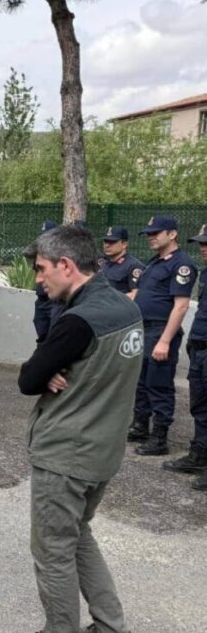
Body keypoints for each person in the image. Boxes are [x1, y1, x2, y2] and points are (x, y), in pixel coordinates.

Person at [18, 225, 142, 633]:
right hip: (102, 452)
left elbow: (28, 378)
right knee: (78, 534)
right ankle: (110, 624)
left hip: (66, 456)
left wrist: (46, 369)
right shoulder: (127, 309)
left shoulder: (78, 322)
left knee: (53, 551)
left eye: (41, 269)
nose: (39, 279)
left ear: (66, 265)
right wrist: (48, 369)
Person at [129, 215, 197, 457]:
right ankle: (140, 426)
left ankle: (159, 438)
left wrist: (165, 341)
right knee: (141, 382)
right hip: (143, 329)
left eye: (156, 233)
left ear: (172, 234)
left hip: (160, 330)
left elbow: (180, 306)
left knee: (159, 384)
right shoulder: (155, 262)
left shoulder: (181, 264)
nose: (151, 237)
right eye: (149, 233)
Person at [162, 225, 207, 489]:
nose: (203, 247)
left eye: (206, 244)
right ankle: (199, 454)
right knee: (199, 407)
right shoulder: (205, 273)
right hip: (200, 349)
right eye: (201, 243)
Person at [33, 220, 64, 344]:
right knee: (41, 334)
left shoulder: (61, 255)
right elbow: (36, 273)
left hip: (55, 302)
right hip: (41, 301)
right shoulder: (39, 254)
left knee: (54, 336)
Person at [98, 227, 144, 297]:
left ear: (124, 244)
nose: (107, 245)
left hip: (117, 306)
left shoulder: (133, 266)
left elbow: (136, 294)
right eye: (105, 241)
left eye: (112, 242)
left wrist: (112, 301)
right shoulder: (102, 263)